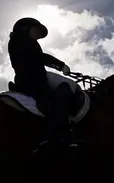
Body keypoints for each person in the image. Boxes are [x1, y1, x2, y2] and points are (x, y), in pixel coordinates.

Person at [8, 17, 78, 155]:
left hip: (32, 81)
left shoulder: (23, 42)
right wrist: (60, 65)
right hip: (33, 83)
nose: (37, 35)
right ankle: (51, 136)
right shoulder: (23, 42)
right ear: (25, 29)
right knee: (64, 89)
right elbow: (41, 57)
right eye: (36, 30)